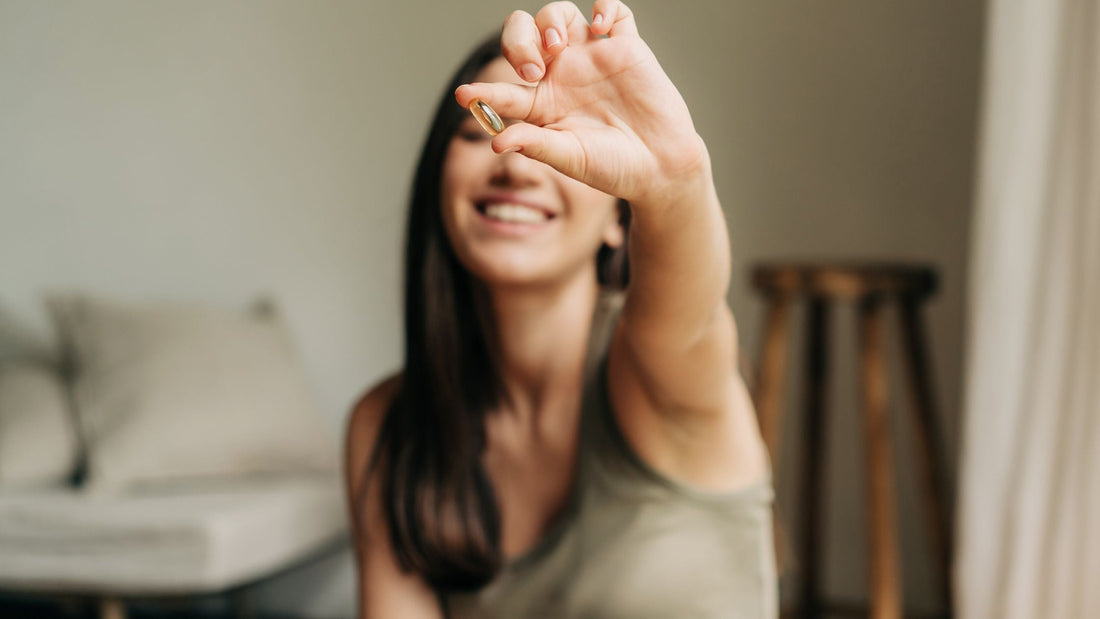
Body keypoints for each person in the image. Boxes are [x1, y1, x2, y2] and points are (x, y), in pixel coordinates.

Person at [344, 1, 775, 617]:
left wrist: (674, 180)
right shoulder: (390, 427)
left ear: (618, 222)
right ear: (437, 182)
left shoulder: (653, 372)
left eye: (555, 141)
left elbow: (692, 317)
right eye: (479, 131)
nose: (515, 162)